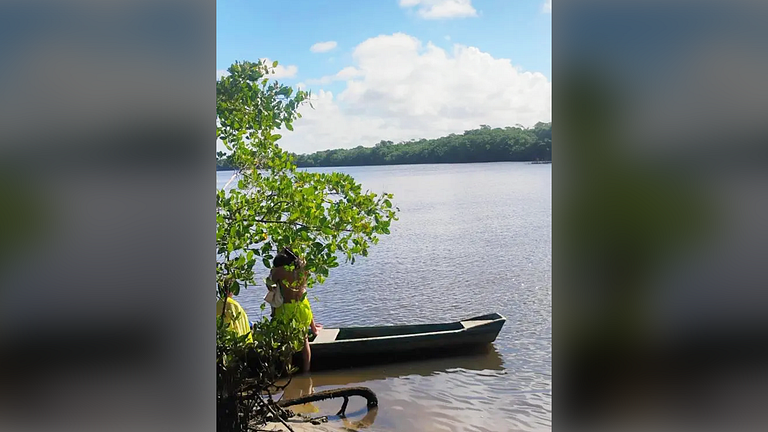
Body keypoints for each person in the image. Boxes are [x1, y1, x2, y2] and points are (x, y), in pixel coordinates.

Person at [268, 248, 322, 373]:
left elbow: (270, 286)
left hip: (287, 308)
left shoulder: (278, 271)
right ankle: (306, 372)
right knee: (304, 340)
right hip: (302, 306)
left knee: (287, 343)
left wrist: (271, 274)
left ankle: (288, 372)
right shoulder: (303, 269)